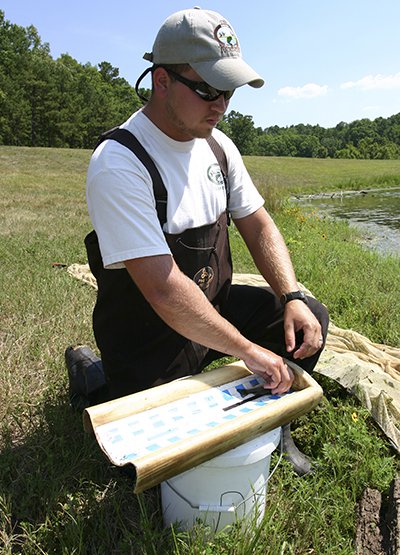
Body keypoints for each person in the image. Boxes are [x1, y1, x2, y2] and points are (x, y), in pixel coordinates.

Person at [66, 7, 329, 475]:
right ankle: (96, 376)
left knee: (307, 320)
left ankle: (275, 429)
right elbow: (164, 290)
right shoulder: (120, 162)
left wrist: (290, 296)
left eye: (227, 91)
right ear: (161, 81)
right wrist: (248, 351)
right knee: (161, 452)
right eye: (207, 89)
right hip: (148, 337)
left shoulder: (218, 146)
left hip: (213, 308)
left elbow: (259, 225)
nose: (221, 104)